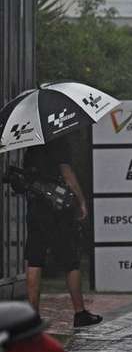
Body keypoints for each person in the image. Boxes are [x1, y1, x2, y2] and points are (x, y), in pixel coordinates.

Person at [22, 136, 102, 327]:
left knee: (34, 259)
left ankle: (32, 316)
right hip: (56, 211)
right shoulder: (59, 142)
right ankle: (80, 312)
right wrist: (81, 200)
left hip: (35, 208)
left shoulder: (30, 145)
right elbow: (67, 174)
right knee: (70, 261)